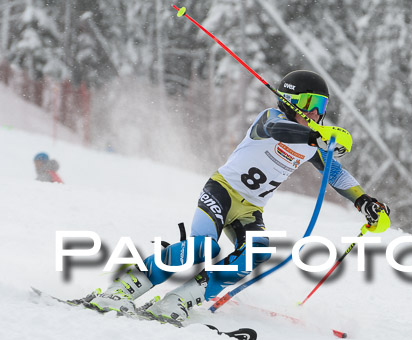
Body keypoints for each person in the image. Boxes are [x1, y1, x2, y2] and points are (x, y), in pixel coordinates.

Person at [85, 70, 390, 323]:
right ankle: (124, 287)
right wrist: (315, 135)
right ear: (291, 101)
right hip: (222, 191)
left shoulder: (312, 143)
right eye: (310, 103)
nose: (315, 113)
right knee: (201, 248)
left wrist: (365, 201)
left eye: (321, 107)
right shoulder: (271, 120)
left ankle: (180, 299)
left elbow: (335, 174)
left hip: (250, 209)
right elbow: (279, 129)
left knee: (254, 254)